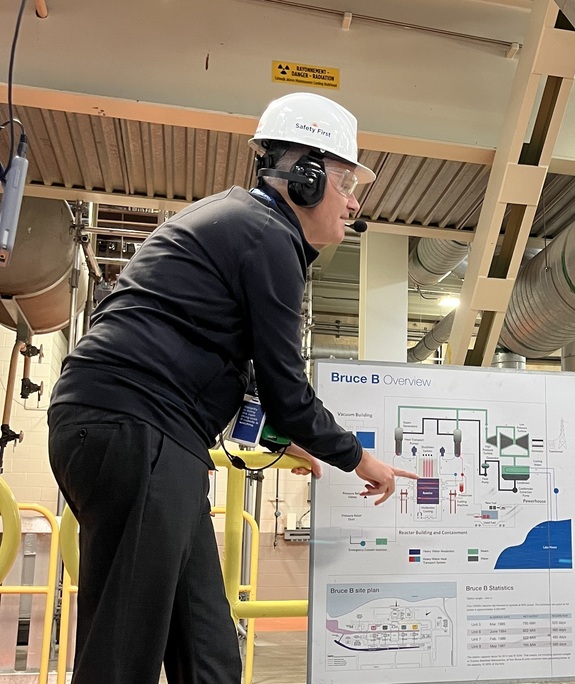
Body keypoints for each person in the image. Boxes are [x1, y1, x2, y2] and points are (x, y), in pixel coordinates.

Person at [48, 92, 416, 684]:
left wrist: (292, 442)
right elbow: (284, 387)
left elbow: (249, 380)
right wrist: (360, 459)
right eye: (347, 183)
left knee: (207, 645)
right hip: (138, 428)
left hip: (147, 435)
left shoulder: (241, 225)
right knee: (123, 650)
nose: (353, 204)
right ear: (307, 178)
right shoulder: (266, 235)